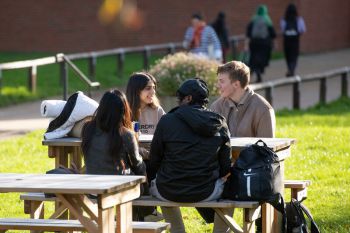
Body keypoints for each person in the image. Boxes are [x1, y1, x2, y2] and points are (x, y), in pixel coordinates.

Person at [149, 78, 232, 233]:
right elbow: (225, 166)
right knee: (231, 192)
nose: (178, 102)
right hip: (206, 191)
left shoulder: (167, 121)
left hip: (168, 190)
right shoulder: (219, 122)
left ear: (188, 98)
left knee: (160, 186)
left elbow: (154, 159)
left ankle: (177, 230)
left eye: (180, 98)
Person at [81, 89, 148, 219]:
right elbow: (138, 164)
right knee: (145, 171)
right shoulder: (126, 134)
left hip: (91, 189)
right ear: (123, 111)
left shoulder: (87, 128)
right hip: (117, 189)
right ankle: (141, 218)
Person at [126, 72, 165, 221]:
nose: (153, 92)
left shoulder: (158, 111)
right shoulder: (126, 111)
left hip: (154, 158)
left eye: (154, 88)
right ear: (137, 90)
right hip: (133, 159)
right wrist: (140, 152)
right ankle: (146, 214)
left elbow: (166, 137)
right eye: (148, 88)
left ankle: (147, 214)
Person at [210, 60, 275, 138]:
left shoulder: (262, 109)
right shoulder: (216, 107)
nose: (218, 85)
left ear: (236, 84)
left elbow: (267, 147)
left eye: (222, 82)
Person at [245, 4, 276, 82]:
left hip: (254, 43)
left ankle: (255, 72)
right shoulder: (267, 19)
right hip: (264, 43)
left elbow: (248, 32)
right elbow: (272, 33)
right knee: (262, 59)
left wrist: (247, 43)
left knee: (254, 59)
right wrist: (273, 43)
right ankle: (259, 72)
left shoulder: (253, 19)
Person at [280, 3, 306, 77]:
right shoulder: (299, 19)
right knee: (294, 55)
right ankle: (292, 69)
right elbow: (303, 30)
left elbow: (282, 29)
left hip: (287, 40)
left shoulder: (284, 19)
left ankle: (289, 69)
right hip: (295, 40)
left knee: (288, 55)